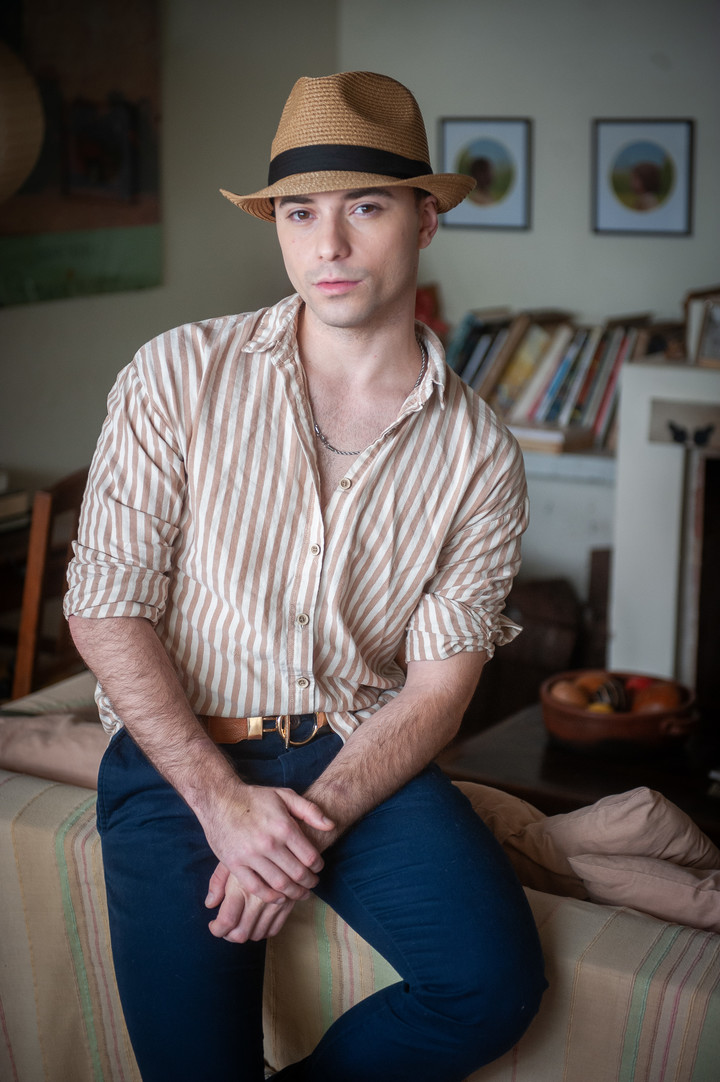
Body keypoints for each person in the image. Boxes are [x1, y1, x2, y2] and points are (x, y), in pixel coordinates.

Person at [65, 71, 546, 1082]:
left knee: (493, 984)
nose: (326, 247)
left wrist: (303, 826)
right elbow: (107, 605)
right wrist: (223, 804)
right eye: (299, 212)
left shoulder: (481, 456)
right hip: (174, 762)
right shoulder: (174, 375)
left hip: (352, 746)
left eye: (364, 208)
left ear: (425, 217)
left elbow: (439, 688)